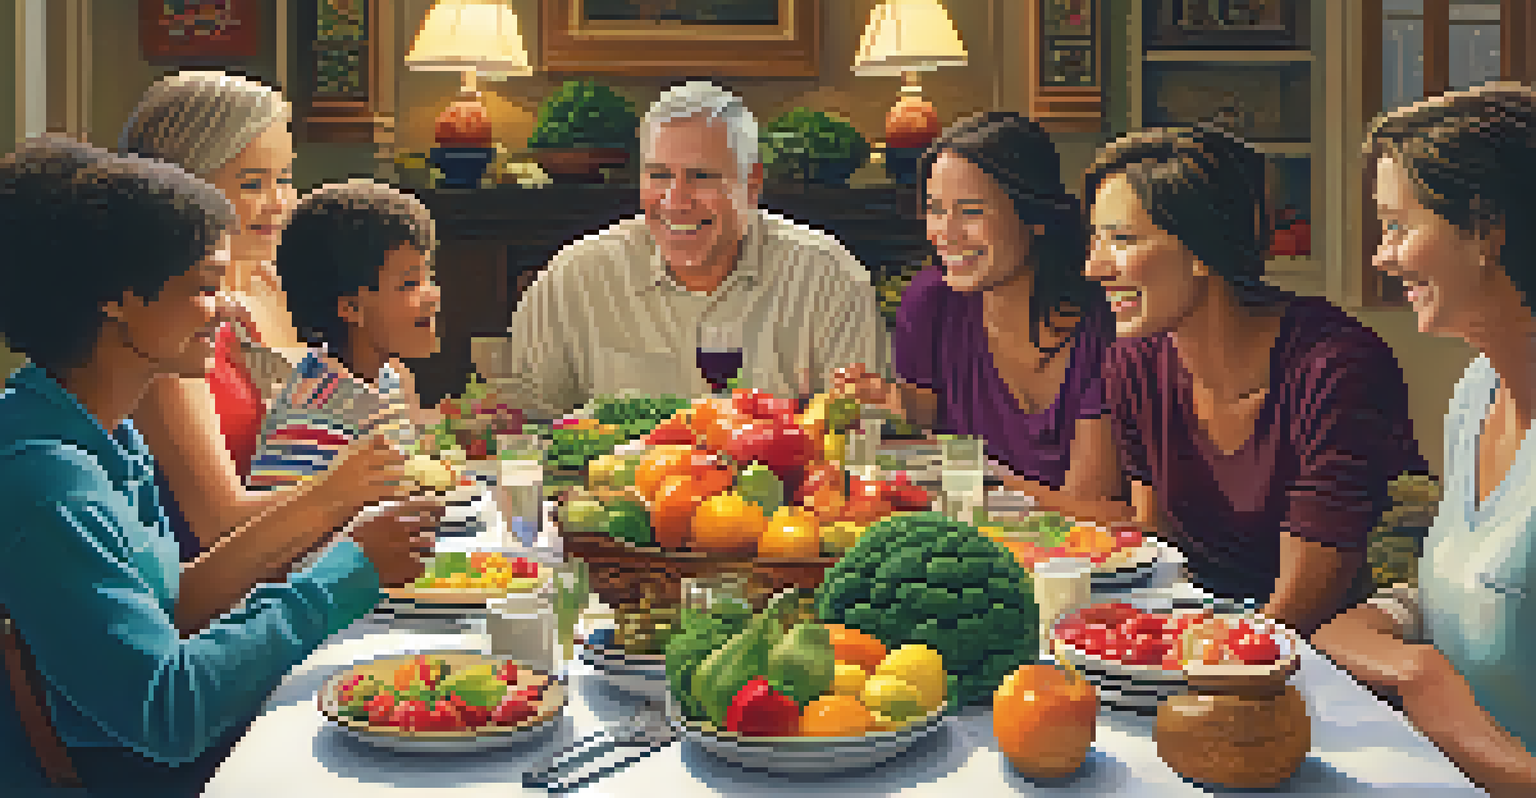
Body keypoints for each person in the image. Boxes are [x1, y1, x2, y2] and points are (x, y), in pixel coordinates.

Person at [0, 136, 439, 794]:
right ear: (115, 298)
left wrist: (340, 539)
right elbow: (169, 713)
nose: (226, 310)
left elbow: (176, 607)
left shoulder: (109, 437)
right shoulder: (48, 480)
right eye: (205, 287)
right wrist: (343, 575)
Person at [1081, 125, 1426, 635]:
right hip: (1206, 637)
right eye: (1096, 240)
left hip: (1325, 660)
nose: (1094, 267)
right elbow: (1155, 545)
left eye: (1122, 240)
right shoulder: (1133, 364)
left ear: (1203, 251)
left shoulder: (1335, 367)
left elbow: (1303, 602)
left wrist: (1193, 665)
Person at [1311, 83, 1536, 796]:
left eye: (1397, 226)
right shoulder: (1477, 389)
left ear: (1485, 229)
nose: (1382, 256)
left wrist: (1444, 716)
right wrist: (1411, 657)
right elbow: (1477, 591)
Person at [472, 80, 890, 417]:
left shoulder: (829, 278)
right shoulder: (576, 276)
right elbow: (523, 425)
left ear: (752, 183)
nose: (675, 200)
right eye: (658, 175)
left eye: (702, 176)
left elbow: (857, 439)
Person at [119, 70, 390, 560]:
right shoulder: (166, 330)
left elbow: (311, 441)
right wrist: (361, 490)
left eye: (284, 178)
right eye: (252, 183)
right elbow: (218, 522)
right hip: (218, 593)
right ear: (184, 191)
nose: (279, 203)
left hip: (296, 559)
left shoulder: (261, 293)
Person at [832, 112, 1117, 494]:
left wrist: (975, 479)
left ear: (1035, 216)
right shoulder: (931, 300)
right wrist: (887, 401)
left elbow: (1090, 517)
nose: (946, 233)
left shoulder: (1103, 325)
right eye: (935, 209)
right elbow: (928, 411)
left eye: (971, 211)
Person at [255, 179, 443, 488]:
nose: (432, 295)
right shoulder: (313, 413)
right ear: (351, 308)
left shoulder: (386, 382)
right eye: (409, 284)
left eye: (428, 277)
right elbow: (287, 526)